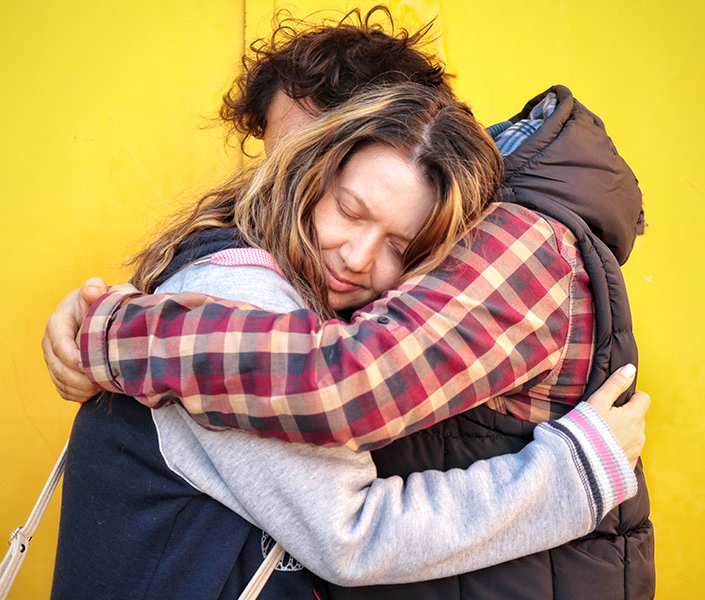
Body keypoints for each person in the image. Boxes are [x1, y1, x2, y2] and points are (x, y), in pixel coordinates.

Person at [46, 9, 652, 600]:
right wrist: (575, 475)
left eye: (399, 245)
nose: (358, 258)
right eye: (348, 208)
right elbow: (352, 533)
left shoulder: (499, 249)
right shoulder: (244, 292)